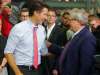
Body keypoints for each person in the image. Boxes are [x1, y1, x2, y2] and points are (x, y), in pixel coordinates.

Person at [4, 1, 48, 75]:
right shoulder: (18, 28)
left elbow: (42, 51)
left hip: (37, 70)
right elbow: (8, 52)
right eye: (45, 14)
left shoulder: (42, 29)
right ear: (36, 13)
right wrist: (18, 73)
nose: (46, 18)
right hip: (20, 69)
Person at [47, 11, 96, 75]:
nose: (69, 22)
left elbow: (86, 65)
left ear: (79, 21)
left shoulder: (87, 38)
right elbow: (66, 51)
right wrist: (50, 45)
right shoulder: (76, 35)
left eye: (70, 20)